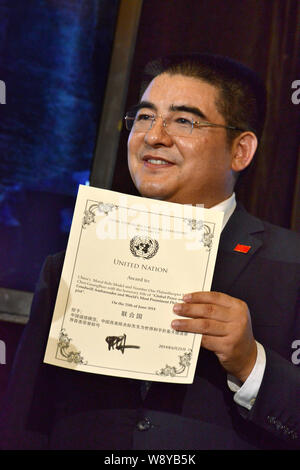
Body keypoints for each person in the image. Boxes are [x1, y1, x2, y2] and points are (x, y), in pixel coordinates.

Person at [0, 53, 299, 450]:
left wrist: (250, 363)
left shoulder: (292, 265)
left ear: (240, 151)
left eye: (183, 120)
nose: (154, 136)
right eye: (143, 117)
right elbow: (26, 419)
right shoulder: (69, 263)